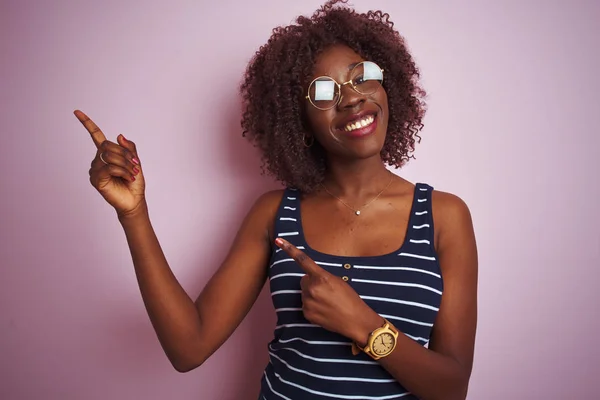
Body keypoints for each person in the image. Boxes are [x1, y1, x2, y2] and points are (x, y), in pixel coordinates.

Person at [74, 0, 478, 398]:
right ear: (300, 123)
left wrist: (366, 327)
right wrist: (135, 214)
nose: (352, 98)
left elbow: (451, 388)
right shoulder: (275, 213)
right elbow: (188, 347)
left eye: (362, 76)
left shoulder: (444, 216)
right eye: (323, 91)